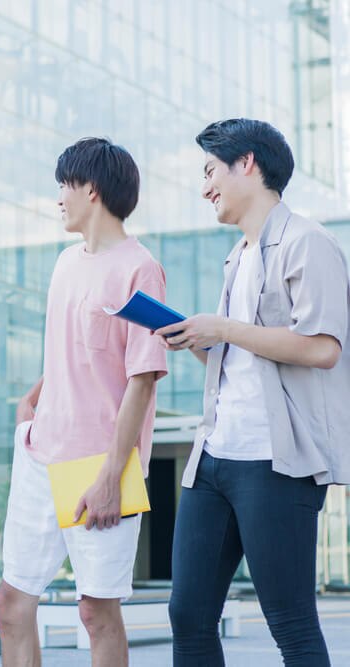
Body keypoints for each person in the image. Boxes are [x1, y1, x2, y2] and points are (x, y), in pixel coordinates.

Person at [157, 118, 350, 666]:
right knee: (187, 616)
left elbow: (321, 348)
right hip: (213, 458)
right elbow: (239, 360)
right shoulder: (238, 255)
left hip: (277, 461)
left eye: (210, 171)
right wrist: (196, 339)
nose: (204, 188)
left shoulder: (309, 243)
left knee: (289, 621)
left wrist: (220, 328)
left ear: (248, 163)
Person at [0, 137, 168, 667]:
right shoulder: (66, 262)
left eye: (64, 186)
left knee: (96, 611)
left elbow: (142, 378)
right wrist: (36, 399)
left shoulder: (142, 268)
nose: (59, 198)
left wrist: (112, 476)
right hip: (40, 452)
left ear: (91, 189)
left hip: (100, 463)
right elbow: (72, 349)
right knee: (10, 604)